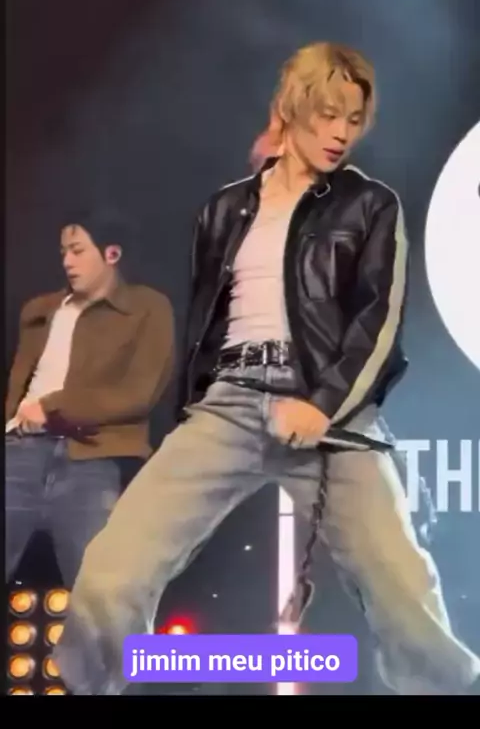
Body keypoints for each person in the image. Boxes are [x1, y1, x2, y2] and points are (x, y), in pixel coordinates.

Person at [54, 43, 480, 695]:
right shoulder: (224, 210)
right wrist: (197, 409)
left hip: (331, 415)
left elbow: (377, 322)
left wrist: (322, 405)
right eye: (328, 114)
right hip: (228, 406)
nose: (341, 132)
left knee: (402, 586)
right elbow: (208, 320)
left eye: (354, 119)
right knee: (113, 566)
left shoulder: (370, 206)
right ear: (291, 109)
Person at [6, 209, 175, 590]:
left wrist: (52, 406)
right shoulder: (40, 309)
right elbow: (18, 383)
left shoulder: (147, 307)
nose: (67, 261)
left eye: (78, 250)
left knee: (100, 591)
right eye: (63, 252)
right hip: (19, 450)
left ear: (111, 254)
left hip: (92, 458)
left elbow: (139, 393)